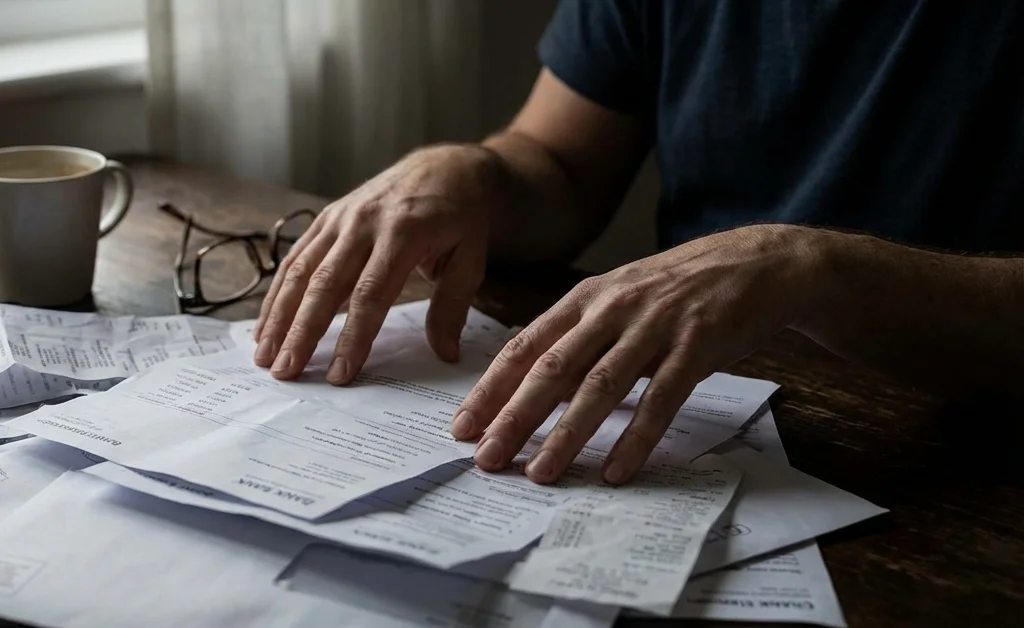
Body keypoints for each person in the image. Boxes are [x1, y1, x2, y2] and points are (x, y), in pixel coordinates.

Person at [249, 0, 1024, 486]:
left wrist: (813, 268)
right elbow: (556, 164)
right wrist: (471, 173)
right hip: (690, 430)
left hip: (964, 461)